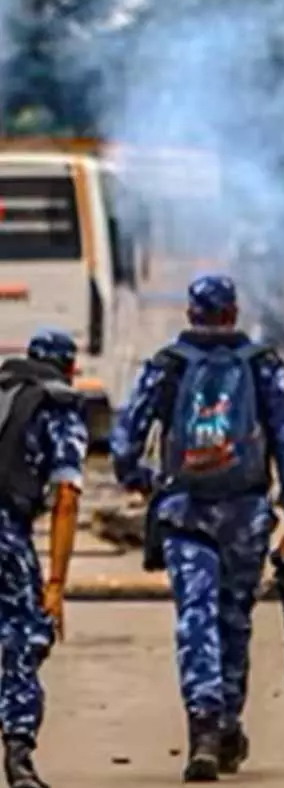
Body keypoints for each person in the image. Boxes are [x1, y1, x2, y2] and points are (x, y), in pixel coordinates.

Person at [111, 274, 284, 782]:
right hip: (246, 514)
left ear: (190, 313)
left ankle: (203, 729)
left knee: (195, 619)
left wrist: (144, 481)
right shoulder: (262, 366)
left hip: (185, 512)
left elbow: (125, 440)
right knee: (233, 620)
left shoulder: (167, 366)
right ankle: (227, 724)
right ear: (234, 312)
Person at [0, 330, 86, 788]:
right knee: (25, 636)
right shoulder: (58, 407)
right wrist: (55, 584)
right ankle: (18, 756)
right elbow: (67, 498)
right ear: (69, 367)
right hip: (7, 536)